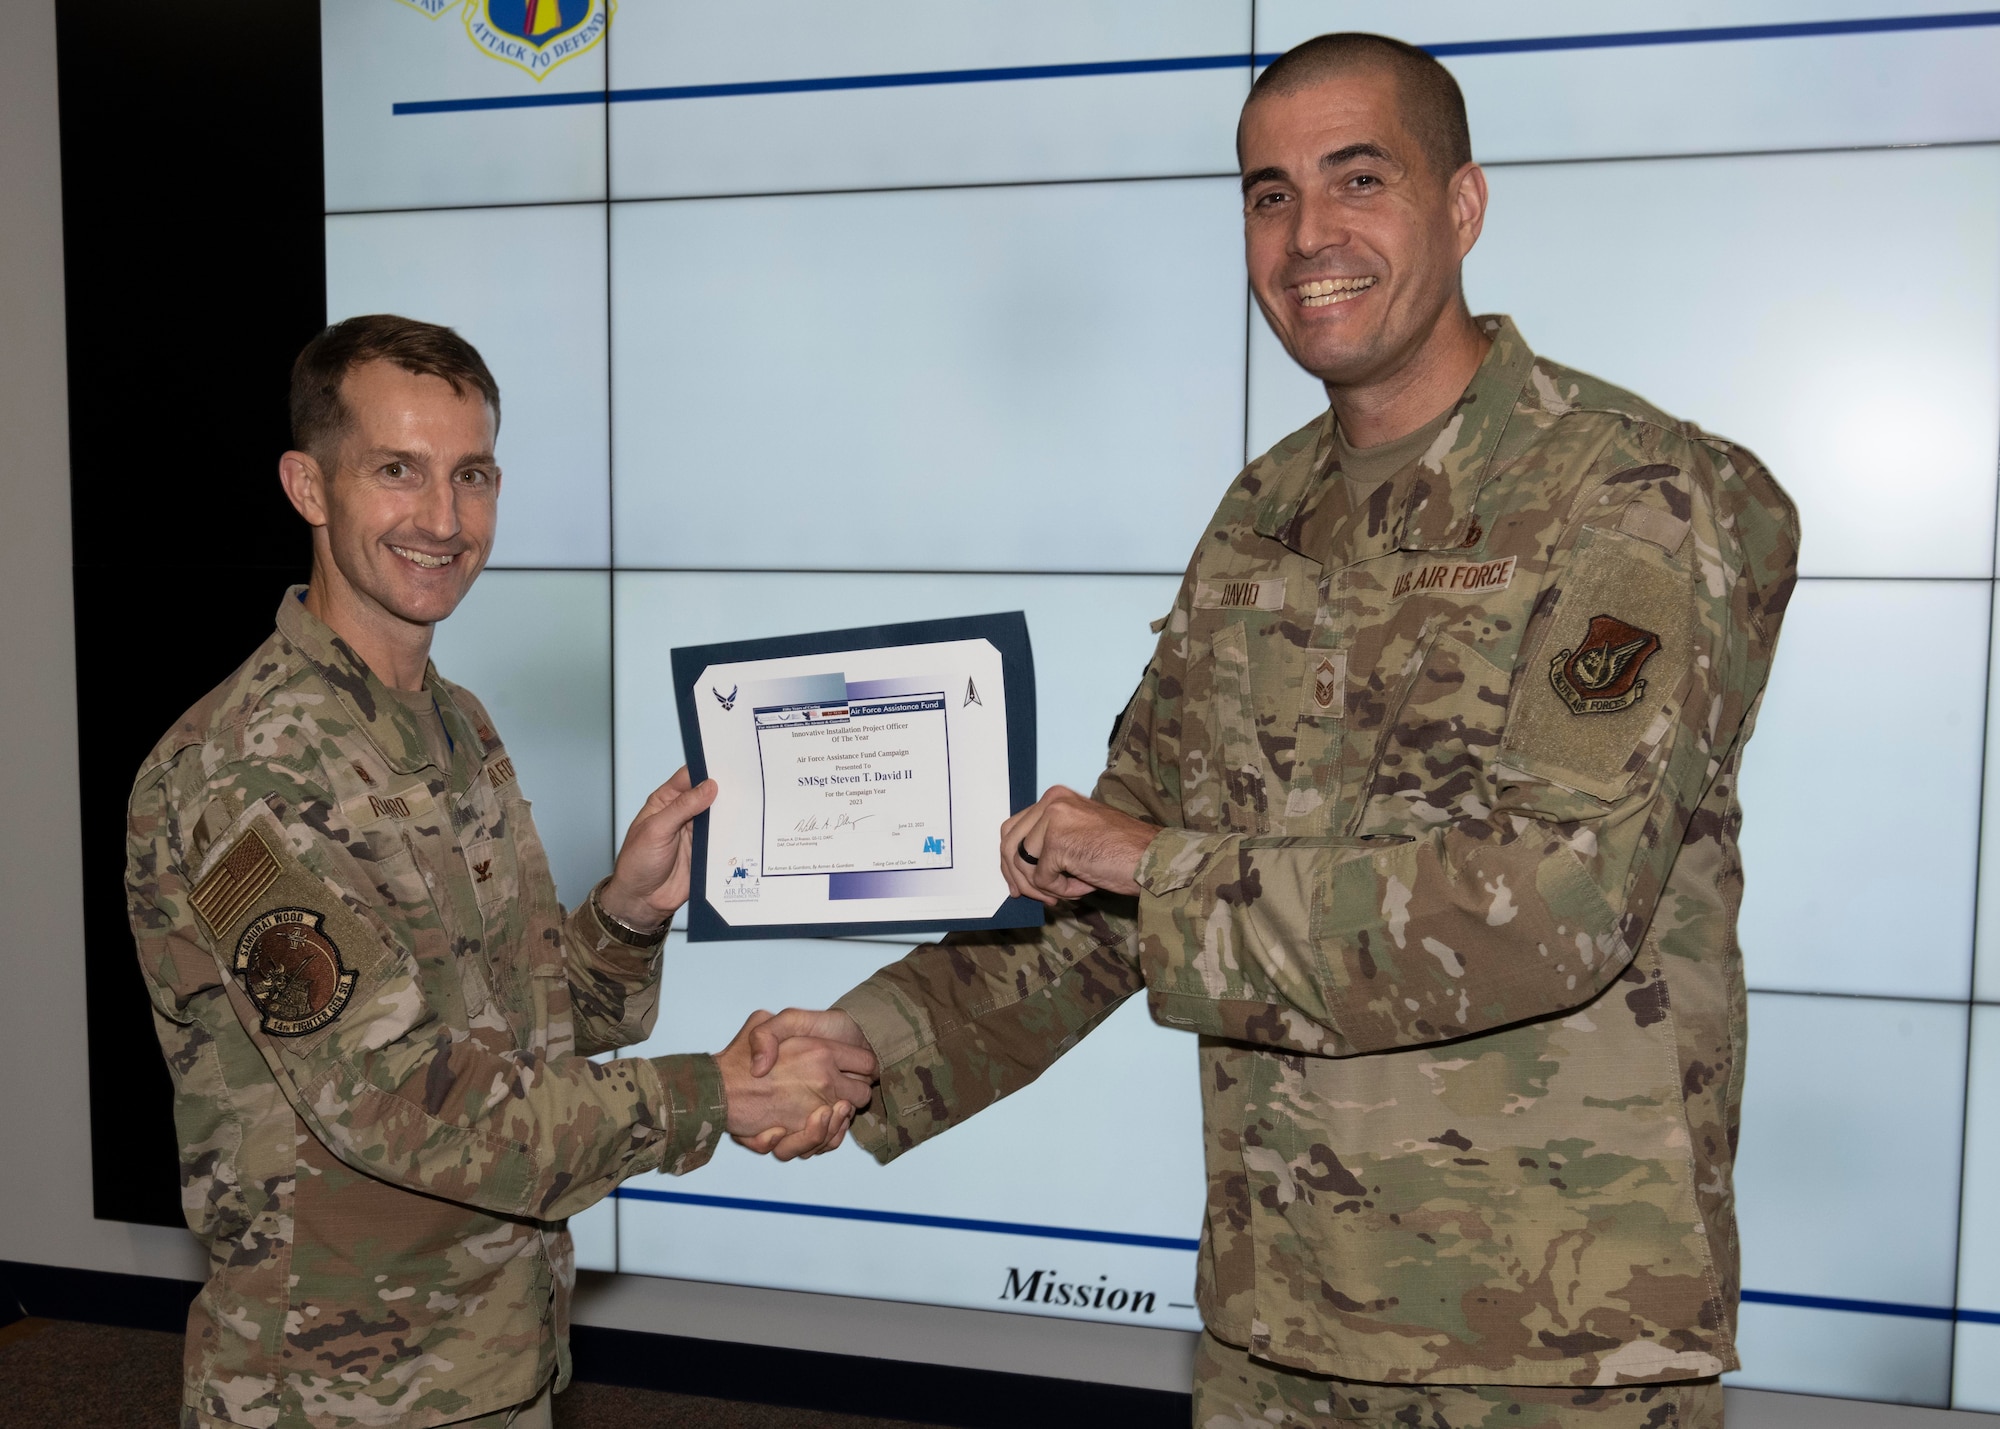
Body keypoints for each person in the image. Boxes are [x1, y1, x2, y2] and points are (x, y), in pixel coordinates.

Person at [745, 32, 1798, 1429]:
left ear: (1464, 204)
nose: (1310, 236)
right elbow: (1103, 892)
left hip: (1550, 1353)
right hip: (1277, 1329)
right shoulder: (1261, 518)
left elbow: (1556, 903)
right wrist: (867, 1042)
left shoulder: (1637, 499)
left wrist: (1152, 866)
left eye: (1359, 179)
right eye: (1269, 194)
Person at [124, 314, 876, 1429]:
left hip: (490, 1355)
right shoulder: (244, 773)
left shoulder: (450, 724)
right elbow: (402, 1104)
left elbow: (508, 1029)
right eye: (397, 471)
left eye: (470, 475)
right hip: (332, 1393)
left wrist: (625, 913)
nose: (442, 519)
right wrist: (715, 1093)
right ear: (308, 485)